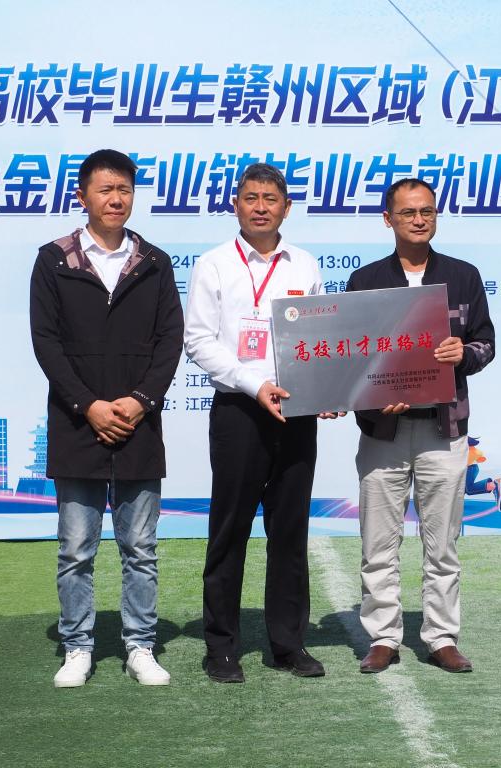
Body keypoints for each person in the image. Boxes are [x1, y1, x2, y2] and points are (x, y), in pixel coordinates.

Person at [29, 149, 183, 687]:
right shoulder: (54, 260)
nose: (115, 199)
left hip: (139, 425)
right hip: (77, 425)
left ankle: (140, 646)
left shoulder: (154, 262)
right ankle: (78, 647)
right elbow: (46, 343)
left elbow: (170, 341)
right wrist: (88, 406)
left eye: (124, 190)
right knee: (76, 550)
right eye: (105, 189)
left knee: (140, 549)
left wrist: (140, 400)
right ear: (82, 196)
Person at [185, 163, 331, 683]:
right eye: (251, 198)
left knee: (289, 532)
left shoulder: (304, 264)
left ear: (286, 208)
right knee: (229, 530)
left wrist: (327, 391)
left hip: (296, 411)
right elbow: (198, 340)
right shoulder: (214, 264)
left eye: (271, 199)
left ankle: (288, 645)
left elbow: (320, 340)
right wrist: (254, 384)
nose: (261, 207)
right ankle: (221, 647)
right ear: (236, 205)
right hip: (240, 412)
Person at [346, 178, 495, 674]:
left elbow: (486, 344)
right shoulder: (365, 281)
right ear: (387, 219)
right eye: (408, 212)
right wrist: (369, 397)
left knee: (443, 544)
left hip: (443, 428)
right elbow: (351, 357)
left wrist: (462, 353)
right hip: (382, 431)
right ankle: (383, 637)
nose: (418, 219)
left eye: (427, 211)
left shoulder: (463, 276)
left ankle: (441, 637)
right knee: (378, 543)